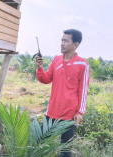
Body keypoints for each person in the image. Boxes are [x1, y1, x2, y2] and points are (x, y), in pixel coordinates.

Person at [35, 29, 90, 157]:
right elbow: (46, 79)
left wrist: (80, 112)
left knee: (65, 151)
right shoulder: (56, 60)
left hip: (69, 115)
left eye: (66, 41)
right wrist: (39, 68)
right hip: (51, 112)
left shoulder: (83, 64)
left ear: (75, 44)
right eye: (62, 40)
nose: (62, 43)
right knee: (38, 144)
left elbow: (83, 90)